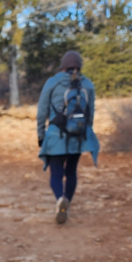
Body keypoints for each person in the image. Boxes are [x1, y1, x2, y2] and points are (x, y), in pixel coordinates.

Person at [36, 50, 100, 224]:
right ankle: (67, 203)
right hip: (79, 137)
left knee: (56, 172)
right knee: (71, 171)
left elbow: (42, 112)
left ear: (63, 65)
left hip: (56, 135)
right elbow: (91, 113)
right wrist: (86, 132)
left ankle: (59, 200)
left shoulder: (53, 82)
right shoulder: (88, 84)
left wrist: (41, 135)